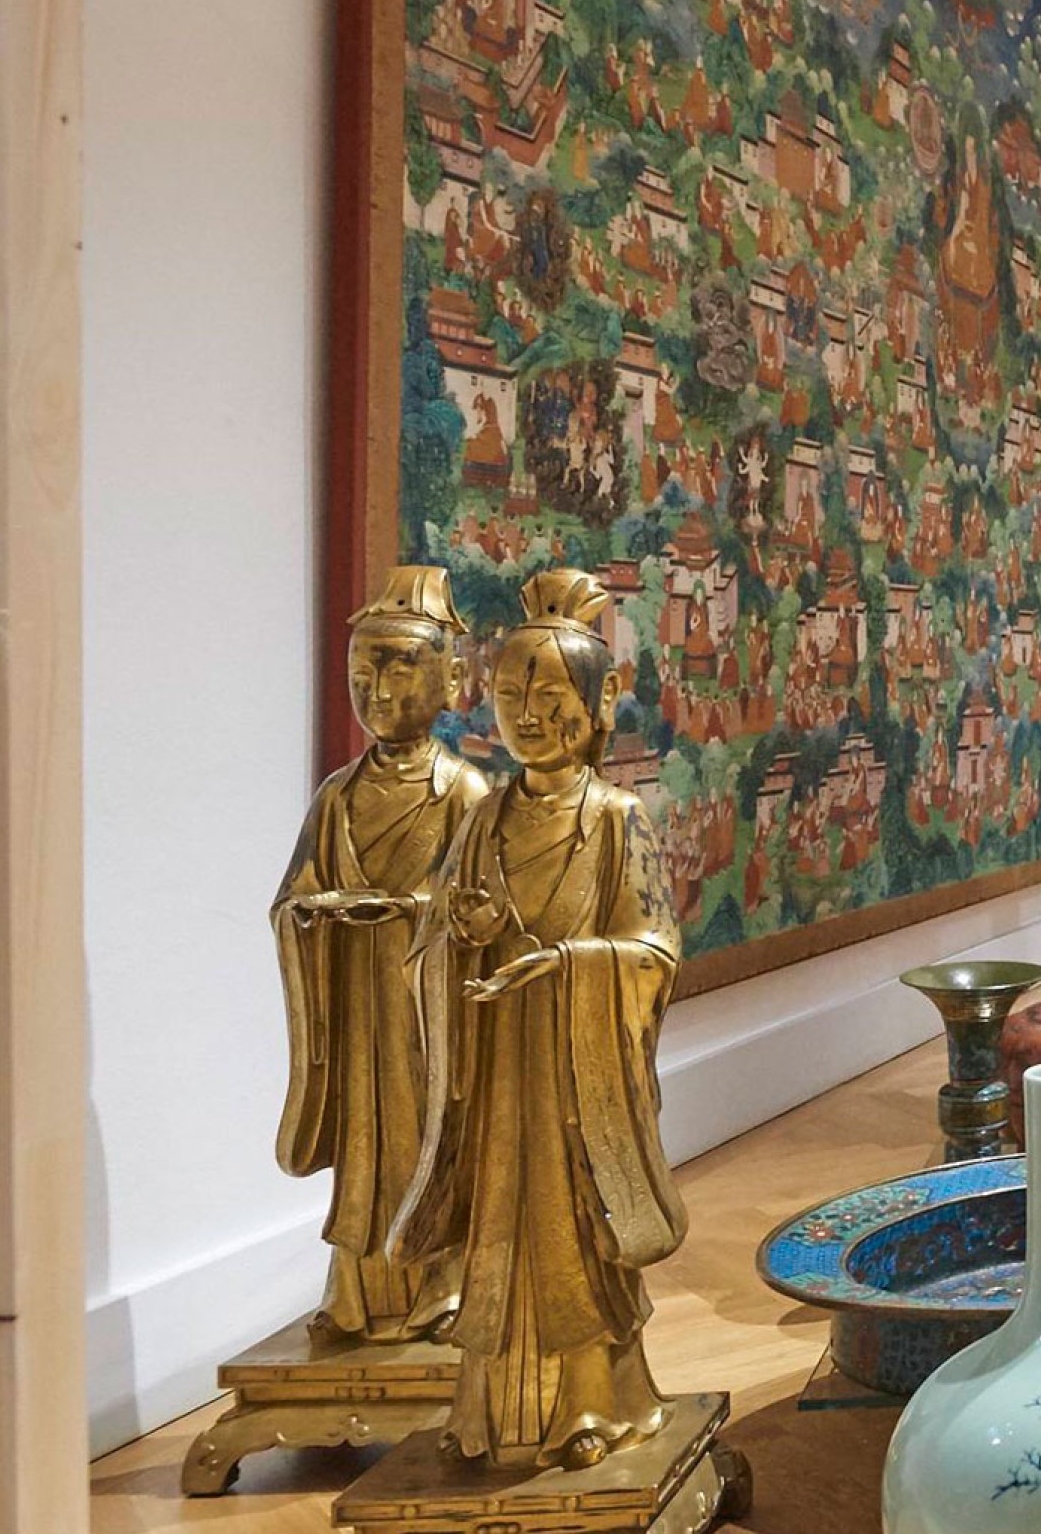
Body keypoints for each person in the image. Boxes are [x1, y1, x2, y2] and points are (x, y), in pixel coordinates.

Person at [390, 566, 689, 1470]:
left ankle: (594, 1402)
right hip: (494, 1078)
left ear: (596, 707)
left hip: (573, 1083)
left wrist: (564, 964)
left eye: (550, 696)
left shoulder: (616, 820)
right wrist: (463, 936)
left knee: (575, 1237)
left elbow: (654, 950)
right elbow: (436, 939)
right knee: (496, 1240)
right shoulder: (482, 821)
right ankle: (485, 1413)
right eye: (511, 694)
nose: (527, 714)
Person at [271, 566, 490, 1343]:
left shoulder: (463, 792)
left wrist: (413, 912)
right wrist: (313, 915)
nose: (379, 692)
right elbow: (291, 900)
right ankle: (357, 1291)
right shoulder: (338, 796)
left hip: (430, 1014)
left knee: (433, 1140)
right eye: (363, 676)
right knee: (363, 1154)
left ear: (450, 682)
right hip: (359, 1006)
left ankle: (443, 1280)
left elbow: (484, 910)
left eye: (401, 670)